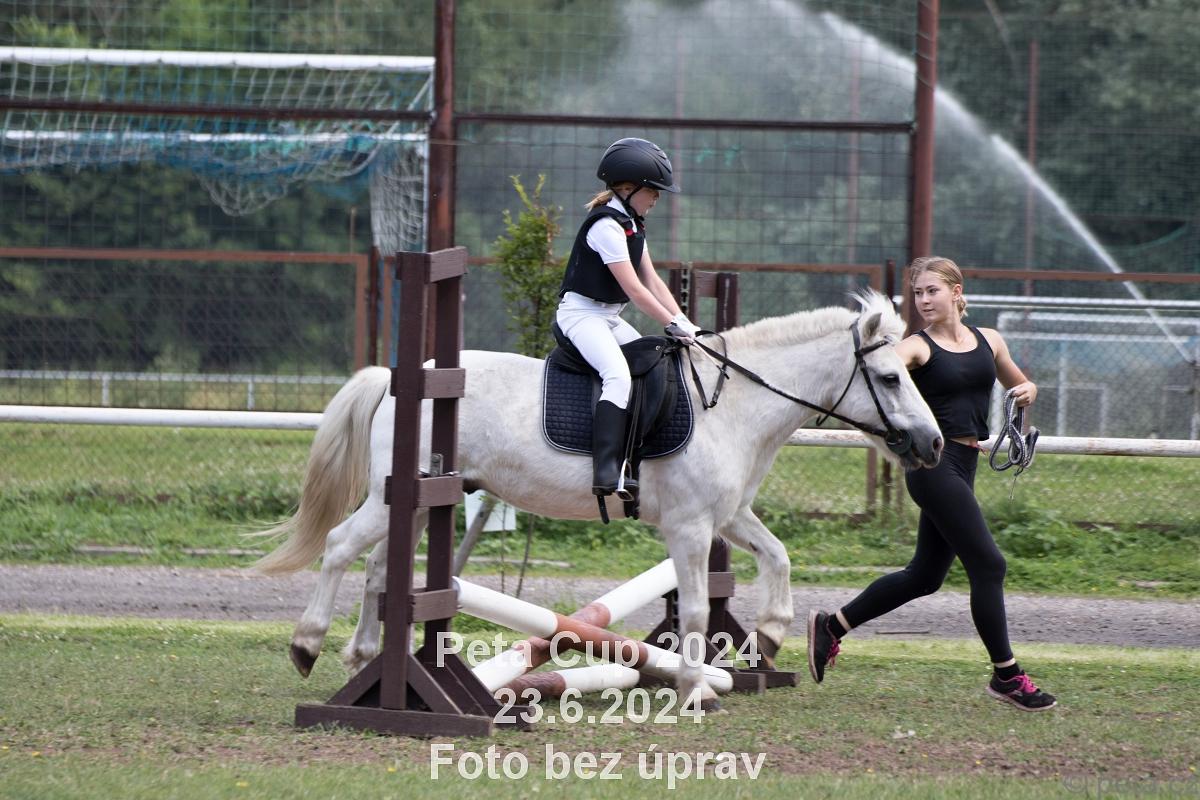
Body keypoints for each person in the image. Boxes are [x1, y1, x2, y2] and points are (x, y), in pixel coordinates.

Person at [806, 256, 1057, 711]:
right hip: (933, 468)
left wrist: (1028, 391)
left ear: (957, 292)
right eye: (918, 293)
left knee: (925, 576)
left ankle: (832, 626)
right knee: (989, 565)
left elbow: (1022, 384)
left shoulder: (990, 341)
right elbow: (875, 370)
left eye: (932, 291)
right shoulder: (916, 349)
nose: (923, 300)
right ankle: (1007, 676)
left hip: (967, 463)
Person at [556, 137, 702, 498]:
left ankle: (638, 454)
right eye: (653, 190)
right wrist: (670, 324)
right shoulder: (605, 227)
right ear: (629, 188)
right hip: (582, 316)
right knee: (618, 376)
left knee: (651, 366)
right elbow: (636, 290)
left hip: (607, 317)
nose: (657, 198)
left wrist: (683, 321)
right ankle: (607, 470)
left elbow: (652, 279)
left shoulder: (632, 224)